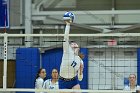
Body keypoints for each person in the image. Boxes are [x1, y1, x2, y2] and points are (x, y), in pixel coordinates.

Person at [59, 12, 84, 89]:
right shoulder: (67, 51)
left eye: (75, 44)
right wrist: (68, 25)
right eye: (72, 44)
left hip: (74, 81)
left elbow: (80, 78)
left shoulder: (80, 61)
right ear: (70, 47)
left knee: (78, 89)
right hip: (63, 81)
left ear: (78, 47)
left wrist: (81, 70)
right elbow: (66, 38)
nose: (74, 44)